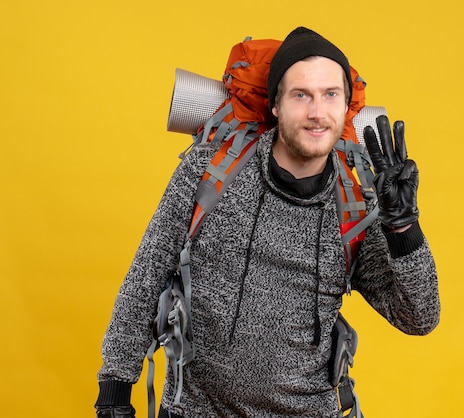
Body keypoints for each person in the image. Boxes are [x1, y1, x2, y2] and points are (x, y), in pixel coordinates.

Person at [95, 26, 440, 418]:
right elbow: (147, 275)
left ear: (345, 107)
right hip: (195, 410)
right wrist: (115, 390)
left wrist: (402, 228)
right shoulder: (211, 172)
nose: (316, 111)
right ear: (276, 105)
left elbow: (419, 317)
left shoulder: (355, 208)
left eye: (330, 95)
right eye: (301, 95)